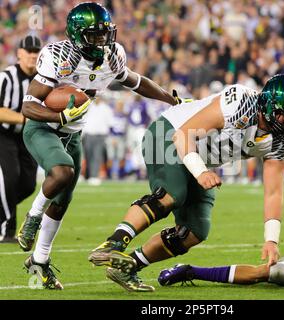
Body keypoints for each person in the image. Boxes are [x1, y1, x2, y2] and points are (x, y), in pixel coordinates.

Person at [88, 73, 284, 292]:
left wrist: (272, 240)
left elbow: (274, 192)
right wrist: (200, 172)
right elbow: (183, 135)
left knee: (195, 230)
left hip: (199, 157)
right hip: (169, 133)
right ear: (268, 105)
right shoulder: (242, 103)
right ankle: (114, 243)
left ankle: (130, 266)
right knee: (172, 194)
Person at [17, 2, 179, 289]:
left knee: (63, 202)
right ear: (77, 34)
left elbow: (136, 81)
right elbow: (28, 106)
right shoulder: (58, 55)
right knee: (62, 172)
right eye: (94, 35)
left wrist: (169, 98)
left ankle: (40, 261)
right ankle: (32, 216)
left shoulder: (112, 56)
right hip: (43, 127)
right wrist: (60, 114)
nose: (102, 41)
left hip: (73, 134)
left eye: (105, 34)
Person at [0, 35, 42, 243]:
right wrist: (25, 119)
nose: (33, 56)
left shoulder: (43, 79)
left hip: (26, 137)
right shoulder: (6, 77)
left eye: (36, 52)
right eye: (29, 51)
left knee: (28, 184)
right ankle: (6, 231)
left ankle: (2, 209)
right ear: (19, 53)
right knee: (9, 178)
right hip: (4, 134)